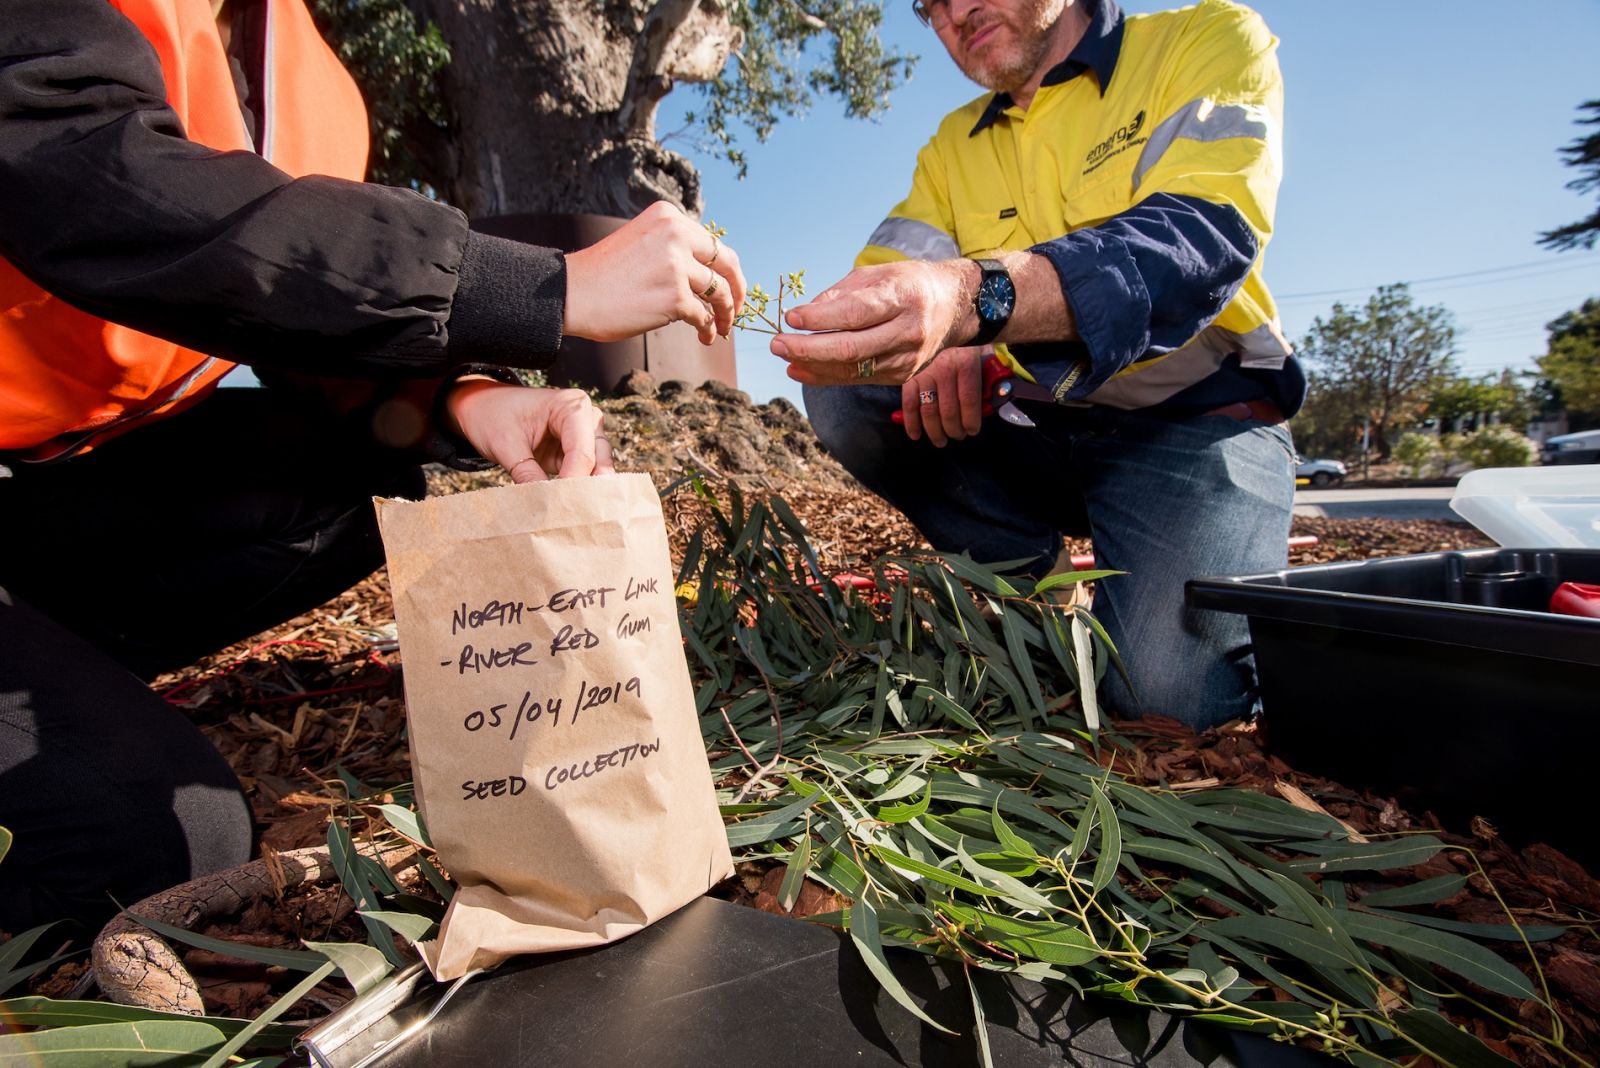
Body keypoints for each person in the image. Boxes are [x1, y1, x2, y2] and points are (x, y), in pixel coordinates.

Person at [0, 0, 745, 933]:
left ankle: (56, 680)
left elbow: (289, 291)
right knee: (152, 838)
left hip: (46, 485)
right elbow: (91, 182)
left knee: (345, 483)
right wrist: (542, 287)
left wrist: (459, 398)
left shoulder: (316, 79)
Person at [774, 0, 1303, 730]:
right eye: (931, 6)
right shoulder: (955, 144)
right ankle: (1031, 586)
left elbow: (1196, 242)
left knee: (1167, 706)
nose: (957, 13)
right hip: (1041, 429)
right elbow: (885, 287)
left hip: (1191, 425)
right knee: (858, 389)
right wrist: (890, 331)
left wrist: (974, 301)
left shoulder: (1205, 38)